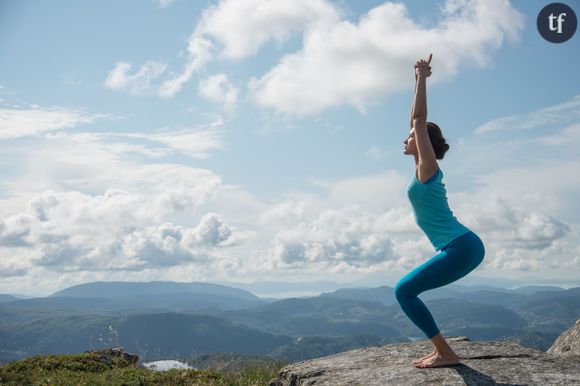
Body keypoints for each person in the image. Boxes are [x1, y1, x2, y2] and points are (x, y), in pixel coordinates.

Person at [395, 54, 485, 368]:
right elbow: (414, 122)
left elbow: (417, 121)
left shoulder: (427, 166)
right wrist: (416, 79)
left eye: (410, 137)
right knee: (406, 291)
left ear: (424, 144)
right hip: (462, 246)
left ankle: (445, 353)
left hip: (460, 247)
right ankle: (442, 350)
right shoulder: (420, 170)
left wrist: (420, 78)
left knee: (403, 291)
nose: (405, 138)